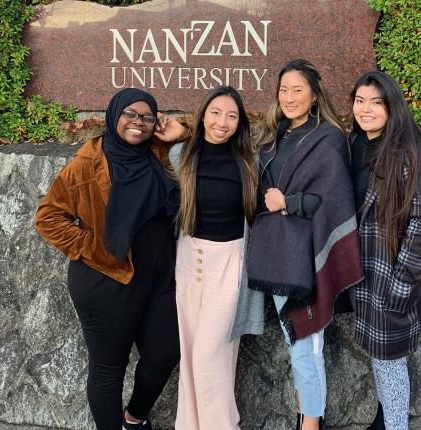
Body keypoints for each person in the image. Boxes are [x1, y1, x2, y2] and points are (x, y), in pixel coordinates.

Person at [35, 88, 185, 430]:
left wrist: (183, 132)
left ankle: (133, 419)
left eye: (147, 117)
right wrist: (95, 245)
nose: (139, 122)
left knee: (165, 352)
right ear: (114, 114)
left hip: (159, 278)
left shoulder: (153, 153)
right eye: (130, 114)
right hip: (107, 279)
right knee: (109, 367)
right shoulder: (87, 164)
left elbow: (182, 139)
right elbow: (48, 219)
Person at [230, 59, 364, 430]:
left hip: (307, 255)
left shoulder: (328, 138)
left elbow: (335, 201)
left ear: (314, 94)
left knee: (307, 345)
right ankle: (307, 414)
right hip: (275, 256)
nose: (289, 98)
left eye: (297, 90)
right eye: (283, 90)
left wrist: (288, 202)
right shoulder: (273, 137)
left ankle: (311, 423)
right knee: (296, 343)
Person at [348, 70, 421, 430]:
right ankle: (384, 419)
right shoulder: (356, 143)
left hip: (393, 272)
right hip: (366, 271)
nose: (365, 109)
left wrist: (402, 282)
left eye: (376, 102)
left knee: (389, 362)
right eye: (359, 100)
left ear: (392, 106)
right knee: (379, 355)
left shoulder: (409, 148)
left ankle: (395, 425)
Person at [165, 86, 257, 430]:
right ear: (203, 114)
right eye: (216, 112)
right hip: (188, 260)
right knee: (189, 357)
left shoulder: (250, 161)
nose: (223, 122)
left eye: (232, 116)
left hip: (229, 264)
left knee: (209, 358)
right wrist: (184, 134)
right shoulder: (180, 155)